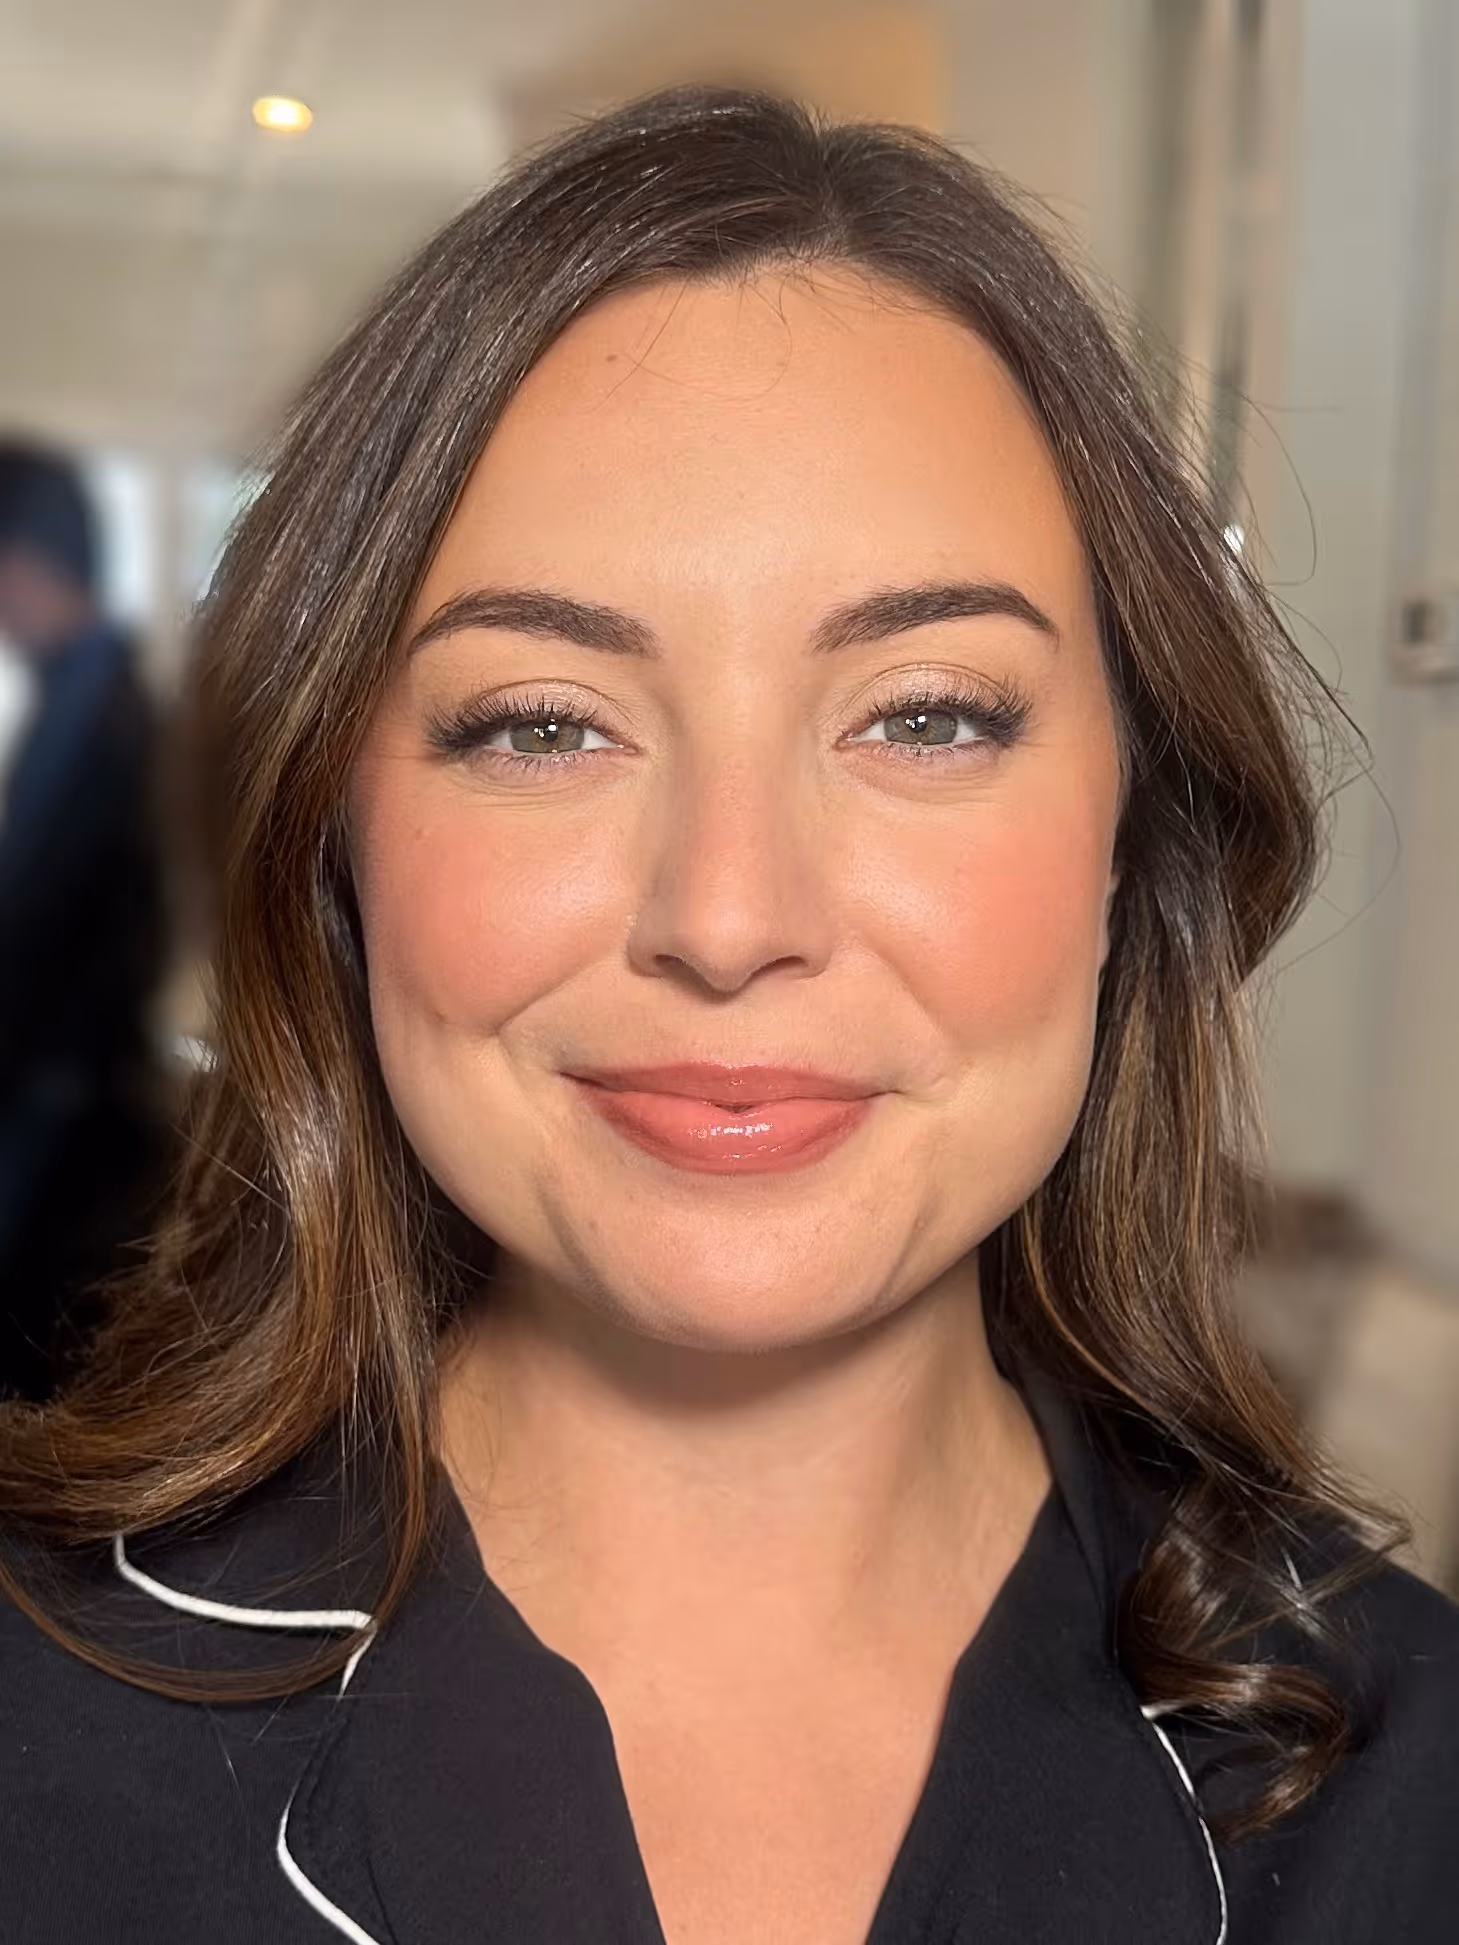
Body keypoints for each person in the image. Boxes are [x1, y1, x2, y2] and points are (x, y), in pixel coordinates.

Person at [0, 83, 1455, 1944]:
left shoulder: (1409, 1785)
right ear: (335, 842)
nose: (727, 917)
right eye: (543, 725)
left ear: (1127, 833)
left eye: (923, 714)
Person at [0, 442, 175, 1400]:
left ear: (25, 562)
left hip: (62, 1073)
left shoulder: (99, 709)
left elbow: (49, 907)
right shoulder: (83, 688)